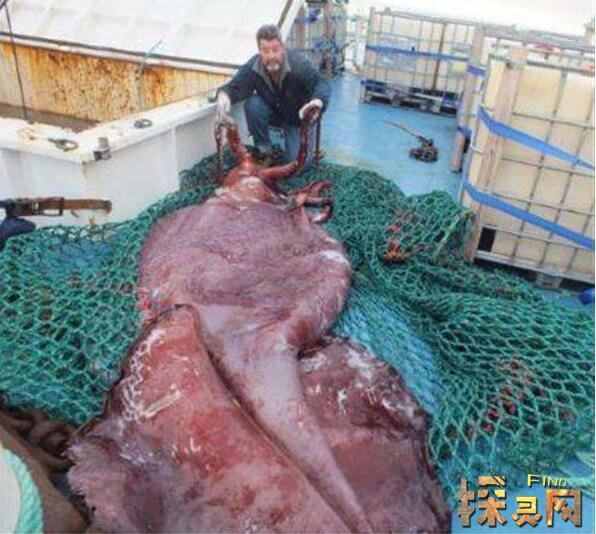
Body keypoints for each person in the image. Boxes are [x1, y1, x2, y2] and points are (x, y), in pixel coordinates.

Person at [215, 24, 330, 169]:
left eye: (275, 49)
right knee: (253, 104)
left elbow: (321, 83)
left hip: (298, 119)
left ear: (282, 48)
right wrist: (223, 99)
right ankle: (264, 151)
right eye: (265, 51)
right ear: (259, 51)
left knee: (299, 164)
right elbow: (233, 87)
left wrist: (316, 102)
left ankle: (307, 146)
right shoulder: (254, 66)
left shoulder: (297, 63)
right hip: (276, 112)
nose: (271, 56)